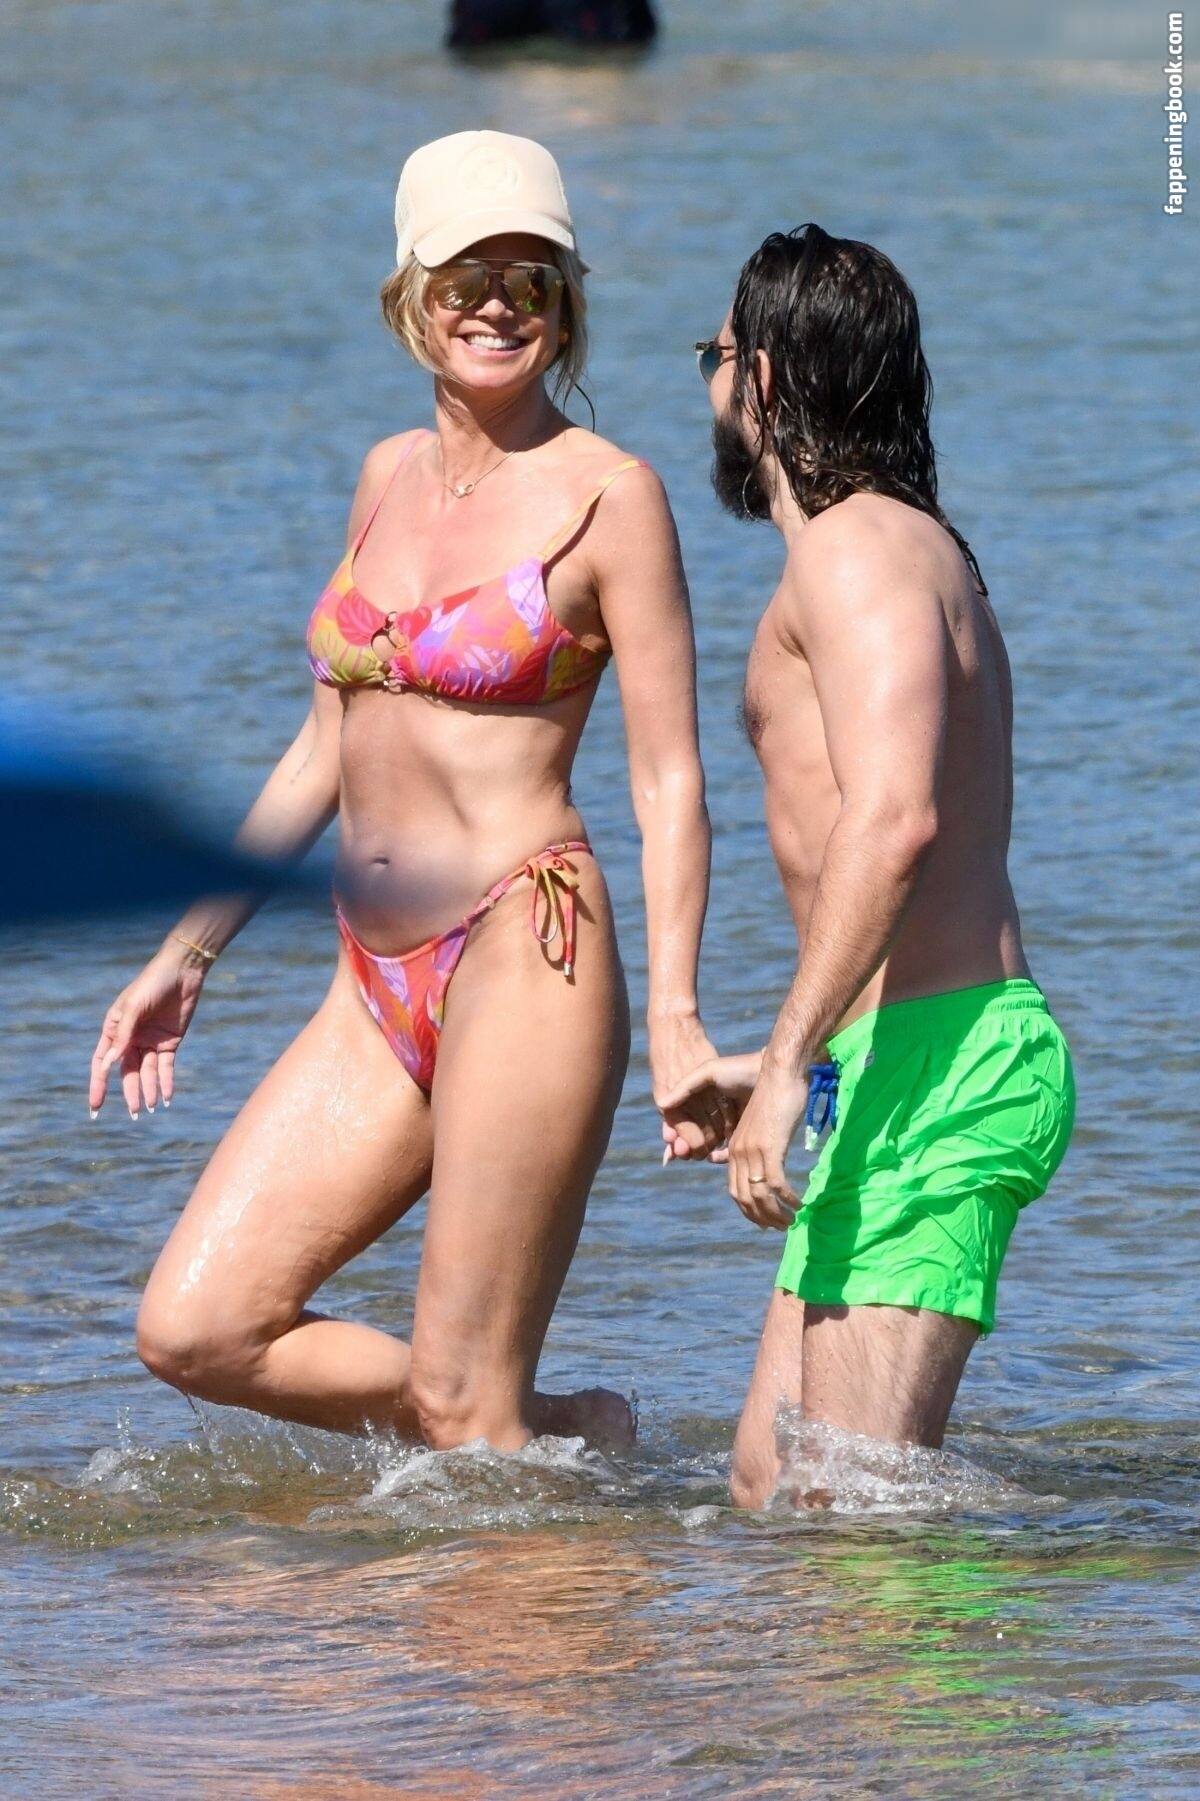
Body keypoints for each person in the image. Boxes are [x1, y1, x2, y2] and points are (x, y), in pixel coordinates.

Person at [89, 130, 719, 1453]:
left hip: (524, 948)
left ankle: (513, 1478)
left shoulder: (612, 499)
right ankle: (553, 1431)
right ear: (408, 295)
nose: (498, 305)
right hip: (367, 980)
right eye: (464, 278)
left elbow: (669, 777)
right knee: (197, 1328)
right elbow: (323, 747)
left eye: (531, 279)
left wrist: (677, 1021)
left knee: (459, 1398)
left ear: (567, 304)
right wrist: (184, 955)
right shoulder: (385, 477)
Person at [662, 225, 1075, 1507]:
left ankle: (1064, 1634)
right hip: (894, 1062)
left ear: (764, 377)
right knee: (770, 1485)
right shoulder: (891, 549)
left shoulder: (856, 552)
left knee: (854, 1519)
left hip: (949, 1073)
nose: (710, 384)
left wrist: (789, 1060)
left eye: (715, 356)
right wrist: (801, 1055)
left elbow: (896, 822)